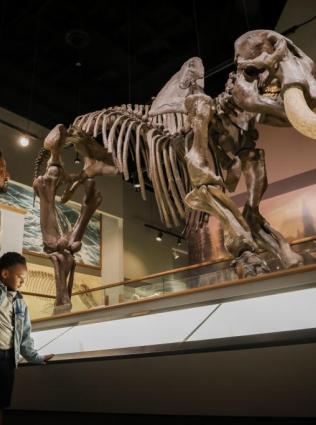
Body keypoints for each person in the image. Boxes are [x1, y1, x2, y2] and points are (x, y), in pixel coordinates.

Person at [0, 252, 54, 424]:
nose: (23, 282)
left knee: (1, 403)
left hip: (7, 358)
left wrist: (36, 358)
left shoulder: (20, 303)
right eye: (20, 277)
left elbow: (25, 337)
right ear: (5, 274)